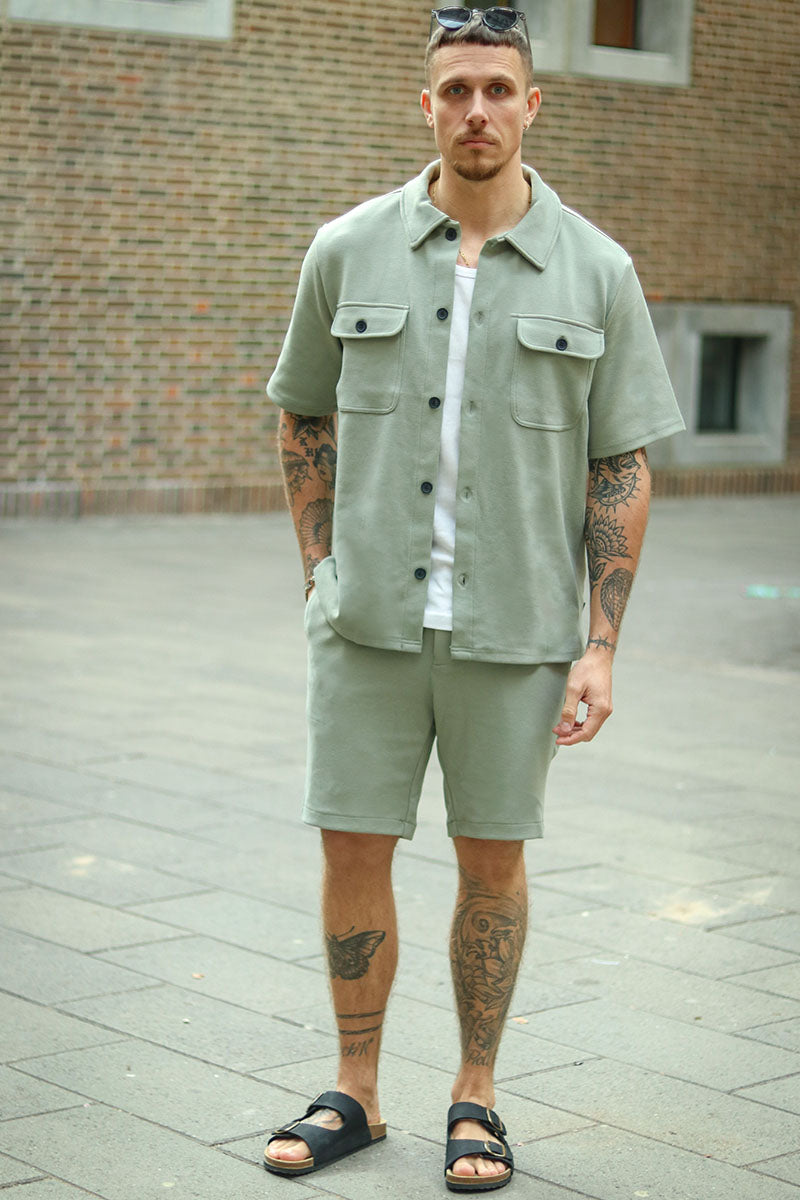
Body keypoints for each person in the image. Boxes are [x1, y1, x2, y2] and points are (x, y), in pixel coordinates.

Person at [263, 7, 684, 1192]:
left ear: (531, 103)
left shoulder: (596, 271)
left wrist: (599, 643)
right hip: (367, 626)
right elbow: (301, 417)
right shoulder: (344, 249)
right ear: (426, 105)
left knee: (490, 862)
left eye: (497, 88)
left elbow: (619, 466)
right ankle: (354, 1089)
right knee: (353, 847)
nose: (476, 111)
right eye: (454, 90)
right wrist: (319, 575)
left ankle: (475, 1096)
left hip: (515, 630)